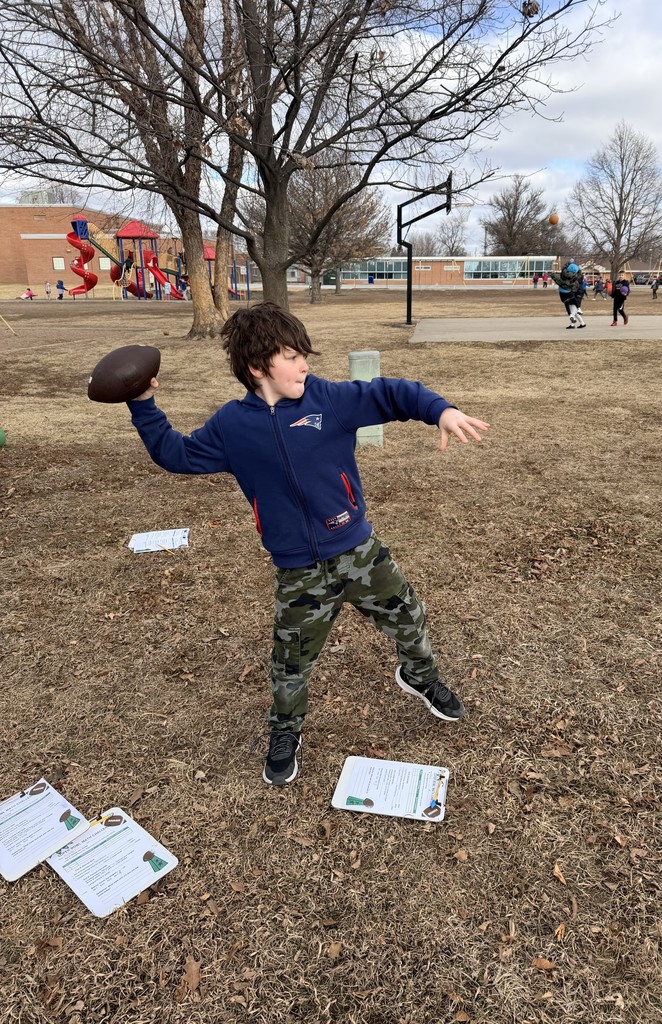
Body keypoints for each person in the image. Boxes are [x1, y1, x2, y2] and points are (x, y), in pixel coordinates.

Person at [126, 303, 490, 787]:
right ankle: (285, 732)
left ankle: (420, 677)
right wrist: (142, 405)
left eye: (303, 356)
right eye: (292, 357)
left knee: (410, 618)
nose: (305, 366)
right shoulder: (232, 427)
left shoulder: (329, 401)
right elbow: (176, 454)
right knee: (290, 662)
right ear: (258, 368)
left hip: (358, 550)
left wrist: (439, 410)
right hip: (299, 571)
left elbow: (393, 393)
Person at [551, 260, 586, 329]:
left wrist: (568, 264)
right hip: (574, 292)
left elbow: (569, 280)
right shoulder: (576, 275)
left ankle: (573, 318)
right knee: (572, 308)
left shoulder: (575, 277)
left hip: (577, 292)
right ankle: (581, 323)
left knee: (573, 309)